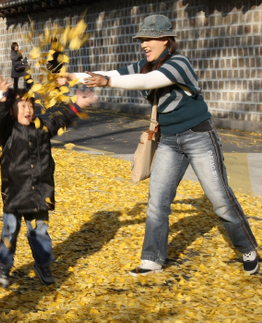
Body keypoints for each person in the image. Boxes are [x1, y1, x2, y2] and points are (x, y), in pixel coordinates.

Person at [75, 14, 260, 276]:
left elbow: (147, 82)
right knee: (157, 201)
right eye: (141, 40)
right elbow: (111, 73)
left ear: (165, 40)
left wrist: (107, 81)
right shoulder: (145, 64)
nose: (143, 44)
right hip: (170, 140)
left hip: (198, 136)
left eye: (148, 39)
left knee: (219, 199)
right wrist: (68, 76)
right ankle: (152, 260)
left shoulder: (178, 63)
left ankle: (247, 248)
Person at [0, 75, 96, 288]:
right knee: (10, 232)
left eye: (30, 105)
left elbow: (60, 120)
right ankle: (4, 267)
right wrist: (2, 97)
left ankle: (42, 264)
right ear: (12, 110)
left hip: (40, 191)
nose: (27, 110)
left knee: (39, 231)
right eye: (21, 105)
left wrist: (78, 105)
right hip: (15, 193)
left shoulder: (42, 128)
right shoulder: (7, 131)